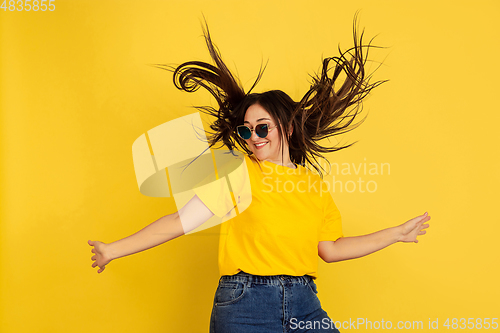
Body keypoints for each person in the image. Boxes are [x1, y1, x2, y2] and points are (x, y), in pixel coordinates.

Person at [88, 14, 431, 333]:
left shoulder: (312, 184)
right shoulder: (239, 173)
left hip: (304, 303)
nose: (254, 137)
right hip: (244, 304)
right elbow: (180, 221)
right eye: (246, 131)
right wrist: (112, 249)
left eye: (262, 128)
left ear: (289, 128)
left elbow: (331, 249)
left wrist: (395, 234)